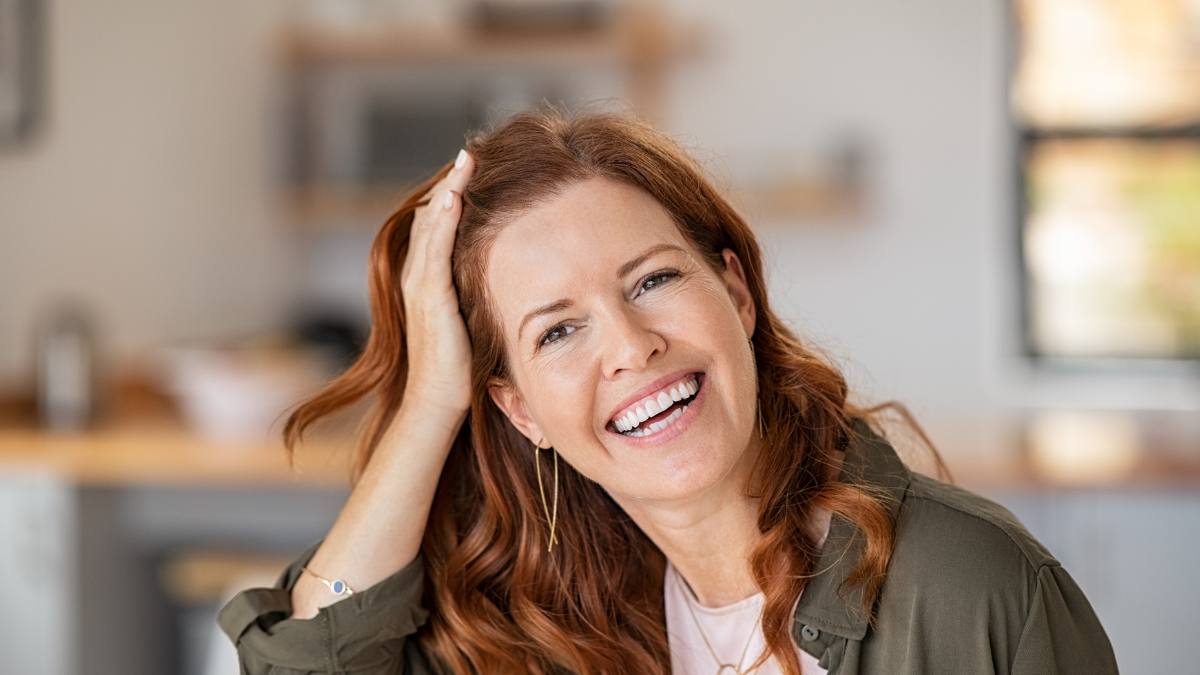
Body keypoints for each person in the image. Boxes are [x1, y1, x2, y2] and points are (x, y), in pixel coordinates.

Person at [217, 105, 1118, 675]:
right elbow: (312, 663)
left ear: (735, 291)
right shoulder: (551, 629)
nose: (632, 346)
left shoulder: (969, 588)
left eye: (652, 280)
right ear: (519, 407)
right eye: (557, 330)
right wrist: (429, 402)